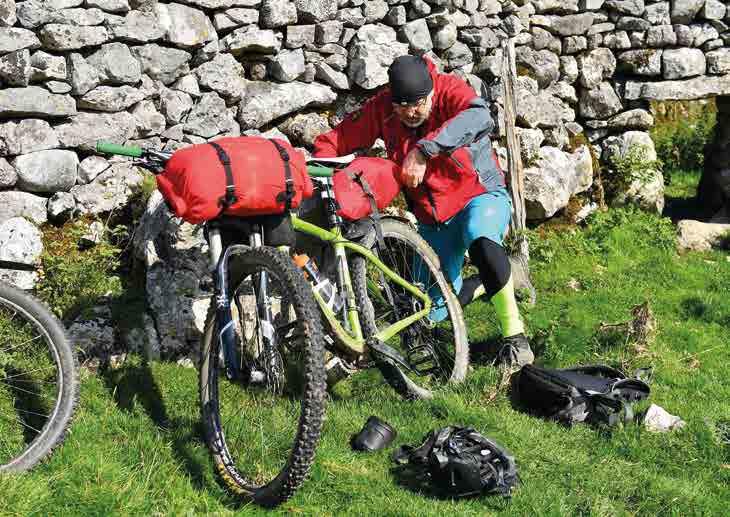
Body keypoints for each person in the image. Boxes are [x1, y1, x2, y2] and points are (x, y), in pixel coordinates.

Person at [312, 54, 534, 367]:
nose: (411, 113)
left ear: (431, 92)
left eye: (418, 104)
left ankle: (516, 339)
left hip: (479, 196)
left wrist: (424, 150)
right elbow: (336, 140)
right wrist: (320, 167)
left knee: (479, 237)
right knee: (429, 312)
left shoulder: (449, 90)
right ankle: (499, 275)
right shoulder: (382, 108)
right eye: (402, 106)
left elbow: (480, 116)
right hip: (433, 220)